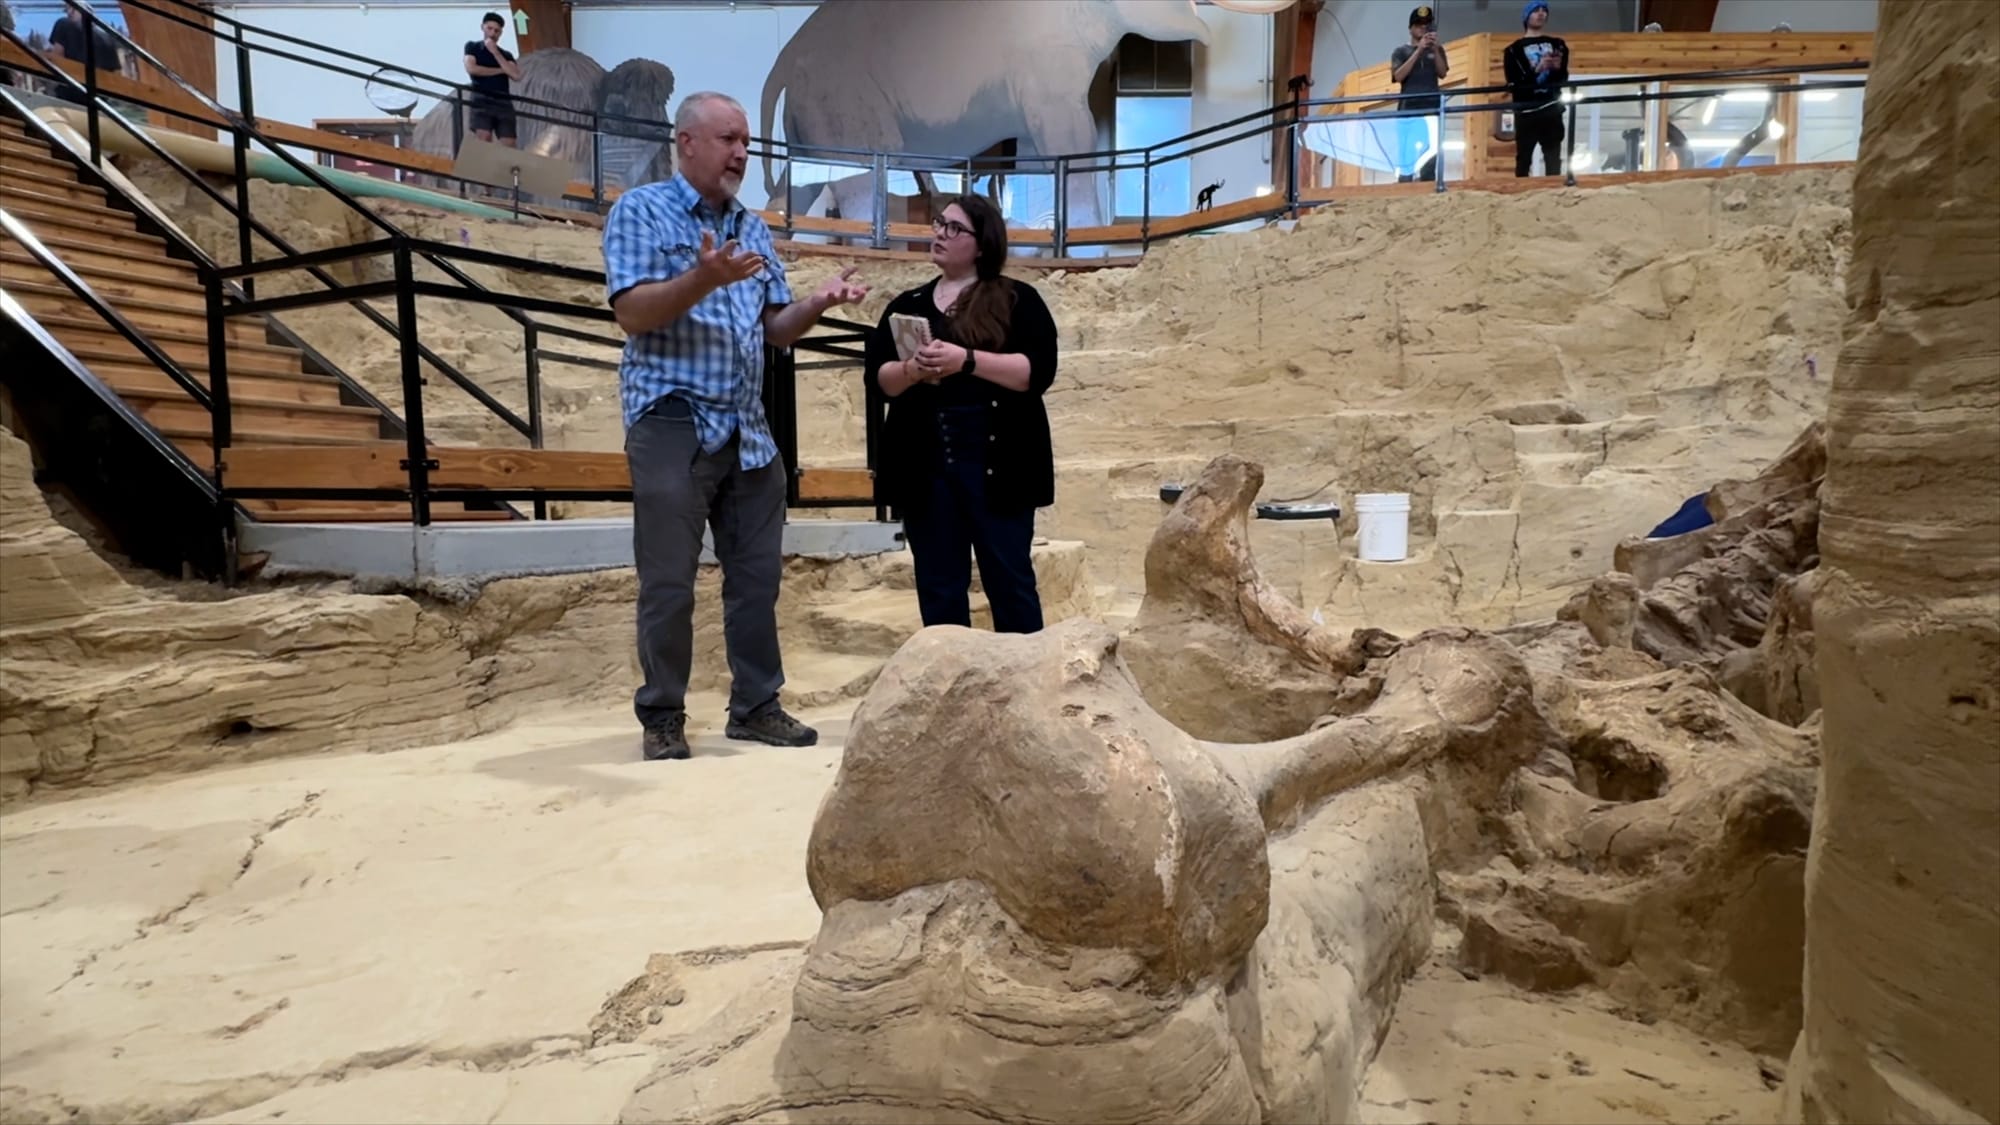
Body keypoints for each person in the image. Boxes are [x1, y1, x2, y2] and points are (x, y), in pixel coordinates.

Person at [603, 91, 870, 762]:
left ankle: (755, 705)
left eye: (747, 142)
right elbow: (633, 312)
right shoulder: (640, 211)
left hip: (748, 428)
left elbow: (775, 328)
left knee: (756, 578)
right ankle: (662, 714)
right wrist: (702, 277)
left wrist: (816, 301)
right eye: (728, 139)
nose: (742, 153)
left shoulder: (751, 228)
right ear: (687, 142)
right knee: (668, 578)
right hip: (671, 417)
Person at [861, 194, 1059, 636]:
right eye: (939, 224)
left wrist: (965, 360)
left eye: (954, 228)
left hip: (999, 465)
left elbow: (1037, 372)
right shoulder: (906, 304)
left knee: (1010, 584)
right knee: (939, 588)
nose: (939, 234)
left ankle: (1026, 687)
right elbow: (880, 380)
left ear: (983, 243)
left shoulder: (1017, 299)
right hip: (927, 468)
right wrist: (915, 369)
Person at [1503, 0, 1569, 178]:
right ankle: (1520, 195)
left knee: (1553, 157)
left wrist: (1557, 69)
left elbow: (1563, 78)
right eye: (1536, 10)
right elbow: (1514, 83)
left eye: (1544, 10)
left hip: (1552, 108)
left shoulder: (1558, 44)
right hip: (1526, 111)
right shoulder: (1513, 50)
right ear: (1526, 16)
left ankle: (1554, 192)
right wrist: (1538, 69)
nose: (1541, 14)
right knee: (1524, 158)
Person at [1391, 5, 1449, 183]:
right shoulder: (1400, 51)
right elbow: (1398, 76)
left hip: (1431, 109)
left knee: (1430, 159)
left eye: (1426, 25)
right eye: (1418, 25)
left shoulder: (1438, 49)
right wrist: (1419, 50)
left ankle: (1428, 192)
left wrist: (1434, 49)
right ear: (1411, 28)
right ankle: (1404, 191)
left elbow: (1442, 73)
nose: (1423, 28)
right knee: (1406, 157)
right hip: (1408, 110)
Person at [462, 11, 522, 147]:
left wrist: (495, 52)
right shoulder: (473, 47)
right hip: (481, 98)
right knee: (483, 138)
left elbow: (516, 75)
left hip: (503, 101)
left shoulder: (506, 54)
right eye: (490, 28)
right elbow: (472, 68)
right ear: (482, 27)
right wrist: (501, 70)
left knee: (509, 143)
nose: (493, 33)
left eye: (497, 31)